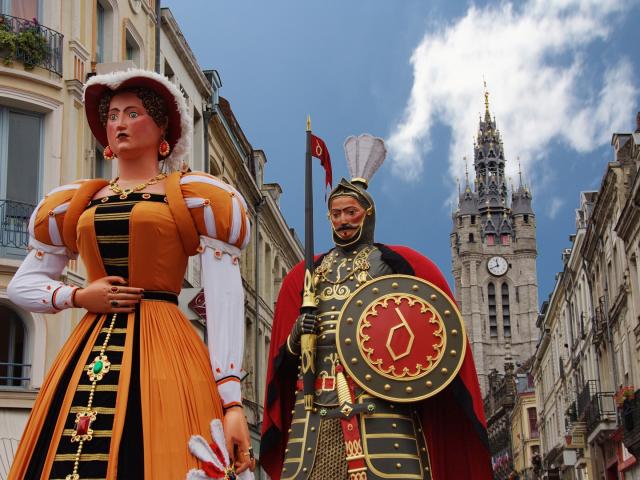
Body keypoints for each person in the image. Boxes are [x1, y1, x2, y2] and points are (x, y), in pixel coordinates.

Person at [7, 68, 255, 479]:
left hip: (166, 346)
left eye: (133, 113)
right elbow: (22, 285)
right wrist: (77, 296)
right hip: (88, 344)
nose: (119, 123)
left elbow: (225, 296)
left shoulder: (194, 196)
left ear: (162, 131)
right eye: (113, 115)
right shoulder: (75, 201)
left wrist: (231, 402)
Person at [260, 134, 493, 479]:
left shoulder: (390, 265)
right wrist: (297, 336)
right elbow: (285, 356)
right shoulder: (311, 273)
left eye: (350, 212)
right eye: (335, 213)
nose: (342, 220)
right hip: (314, 406)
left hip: (380, 404)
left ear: (367, 215)